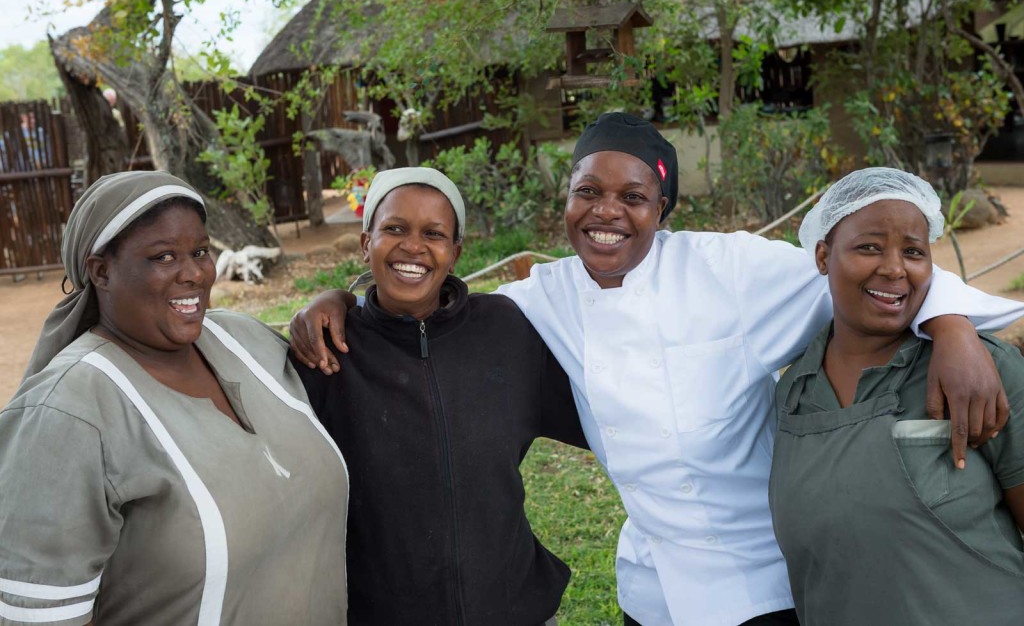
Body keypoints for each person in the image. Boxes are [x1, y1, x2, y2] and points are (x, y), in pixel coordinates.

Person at [291, 113, 1024, 626]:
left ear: (663, 208)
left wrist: (951, 322)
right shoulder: (542, 296)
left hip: (761, 582)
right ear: (566, 201)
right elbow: (430, 295)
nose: (606, 213)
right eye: (588, 192)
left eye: (632, 197)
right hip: (651, 587)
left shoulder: (733, 269)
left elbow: (873, 272)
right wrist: (346, 295)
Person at [0, 171, 349, 625]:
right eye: (164, 256)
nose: (194, 274)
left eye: (200, 252)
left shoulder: (244, 340)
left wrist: (344, 298)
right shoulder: (68, 414)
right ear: (101, 271)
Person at [292, 167, 586, 625]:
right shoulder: (330, 352)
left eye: (434, 233)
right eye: (394, 229)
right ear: (366, 243)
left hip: (514, 608)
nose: (413, 246)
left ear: (455, 251)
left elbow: (600, 402)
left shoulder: (505, 329)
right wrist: (336, 300)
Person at [769, 167, 1024, 625]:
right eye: (869, 246)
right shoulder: (794, 393)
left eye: (913, 251)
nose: (893, 268)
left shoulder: (981, 371)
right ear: (824, 255)